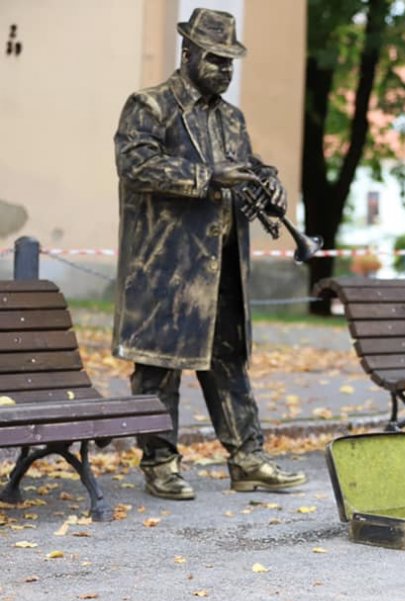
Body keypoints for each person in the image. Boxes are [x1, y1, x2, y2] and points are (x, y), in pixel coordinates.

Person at [112, 8, 305, 500]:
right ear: (188, 53)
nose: (224, 69)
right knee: (158, 368)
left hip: (222, 266)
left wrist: (268, 181)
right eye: (215, 59)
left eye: (229, 61)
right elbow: (136, 165)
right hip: (165, 265)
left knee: (229, 363)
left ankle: (248, 459)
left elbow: (245, 166)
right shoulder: (150, 105)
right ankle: (160, 464)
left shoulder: (231, 118)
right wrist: (207, 177)